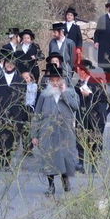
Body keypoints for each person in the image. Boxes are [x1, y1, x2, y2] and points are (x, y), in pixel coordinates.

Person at [31, 67, 80, 196]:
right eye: (52, 80)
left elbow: (76, 107)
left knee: (64, 157)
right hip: (47, 132)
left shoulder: (70, 92)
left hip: (65, 131)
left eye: (57, 79)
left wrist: (64, 93)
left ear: (62, 80)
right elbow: (37, 115)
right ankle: (51, 186)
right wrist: (34, 135)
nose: (54, 82)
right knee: (49, 159)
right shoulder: (44, 95)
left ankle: (65, 180)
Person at [72, 60, 110, 172]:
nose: (79, 73)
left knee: (95, 139)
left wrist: (89, 95)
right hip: (81, 115)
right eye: (78, 71)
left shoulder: (96, 82)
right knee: (80, 138)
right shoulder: (79, 84)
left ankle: (94, 164)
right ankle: (81, 163)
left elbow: (104, 100)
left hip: (94, 116)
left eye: (80, 71)